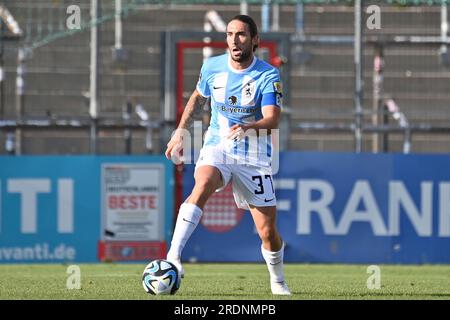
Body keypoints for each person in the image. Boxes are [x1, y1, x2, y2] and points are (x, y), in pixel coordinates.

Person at [164, 14, 290, 295]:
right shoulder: (212, 67)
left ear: (255, 40)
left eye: (242, 34)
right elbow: (198, 97)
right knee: (203, 183)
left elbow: (272, 120)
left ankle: (278, 281)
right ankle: (173, 257)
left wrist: (248, 127)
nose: (234, 39)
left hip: (254, 154)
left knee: (267, 232)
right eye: (230, 34)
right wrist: (180, 132)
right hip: (218, 145)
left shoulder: (268, 75)